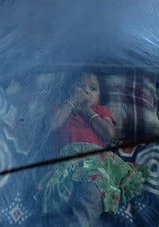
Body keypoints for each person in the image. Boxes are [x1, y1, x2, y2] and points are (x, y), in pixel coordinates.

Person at [36, 71, 147, 226]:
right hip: (64, 164)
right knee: (54, 201)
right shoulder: (61, 107)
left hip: (92, 165)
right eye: (80, 86)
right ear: (69, 89)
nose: (86, 91)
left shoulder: (101, 111)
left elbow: (109, 135)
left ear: (100, 96)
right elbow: (53, 124)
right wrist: (74, 101)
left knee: (91, 192)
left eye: (93, 88)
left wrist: (87, 111)